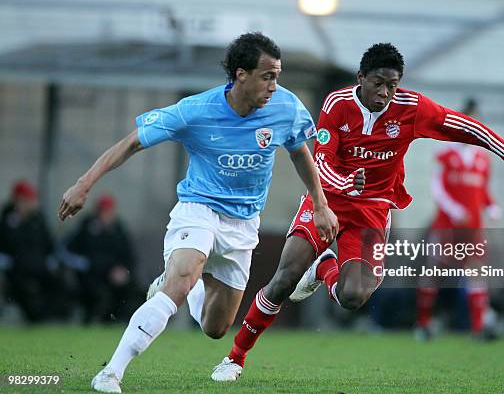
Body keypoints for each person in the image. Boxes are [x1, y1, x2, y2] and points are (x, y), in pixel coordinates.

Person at [211, 43, 504, 382]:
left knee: (352, 297)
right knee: (284, 279)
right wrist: (348, 183)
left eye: (392, 85)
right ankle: (235, 358)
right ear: (361, 78)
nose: (385, 93)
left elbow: (462, 125)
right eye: (378, 83)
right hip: (327, 200)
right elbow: (321, 162)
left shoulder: (411, 108)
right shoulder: (337, 103)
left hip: (372, 212)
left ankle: (324, 270)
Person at [57, 32, 338, 393]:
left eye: (277, 76)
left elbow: (300, 152)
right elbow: (131, 142)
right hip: (199, 209)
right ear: (241, 75)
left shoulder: (286, 107)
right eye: (267, 76)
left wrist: (320, 203)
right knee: (180, 282)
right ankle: (111, 372)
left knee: (215, 328)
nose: (274, 85)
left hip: (243, 223)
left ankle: (186, 284)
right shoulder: (196, 111)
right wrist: (84, 184)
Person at [415, 99, 503, 341]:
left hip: (473, 227)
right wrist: (454, 209)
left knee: (476, 274)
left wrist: (491, 205)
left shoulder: (483, 160)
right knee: (433, 273)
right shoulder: (445, 155)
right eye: (469, 122)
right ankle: (423, 324)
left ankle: (477, 329)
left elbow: (482, 190)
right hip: (446, 226)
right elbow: (437, 188)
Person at [66, 194, 139, 323]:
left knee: (133, 291)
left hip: (115, 276)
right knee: (100, 295)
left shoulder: (119, 229)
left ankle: (122, 322)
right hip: (92, 276)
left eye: (110, 212)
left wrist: (123, 271)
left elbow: (129, 256)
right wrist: (91, 267)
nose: (107, 215)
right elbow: (69, 252)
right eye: (104, 212)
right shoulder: (86, 227)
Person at [0, 180, 57, 322]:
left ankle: (50, 318)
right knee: (25, 289)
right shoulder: (7, 220)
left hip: (40, 268)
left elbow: (49, 244)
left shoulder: (37, 219)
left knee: (58, 285)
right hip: (17, 270)